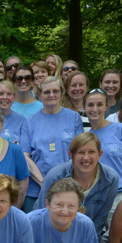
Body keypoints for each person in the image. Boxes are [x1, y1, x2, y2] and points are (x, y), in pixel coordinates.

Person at [35, 133, 120, 242]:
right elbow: (42, 214)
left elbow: (99, 222)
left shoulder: (111, 179)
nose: (86, 158)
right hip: (51, 234)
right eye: (81, 152)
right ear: (71, 155)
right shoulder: (55, 176)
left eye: (91, 152)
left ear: (100, 154)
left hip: (84, 237)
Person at [25, 78, 83, 210]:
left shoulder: (74, 118)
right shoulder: (30, 122)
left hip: (68, 188)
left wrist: (62, 182)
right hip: (36, 190)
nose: (51, 95)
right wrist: (44, 183)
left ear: (62, 93)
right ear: (39, 95)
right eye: (47, 92)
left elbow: (78, 152)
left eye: (55, 91)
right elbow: (25, 156)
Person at [85, 90, 122, 197]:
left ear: (107, 107)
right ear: (85, 108)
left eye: (100, 104)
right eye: (90, 105)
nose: (95, 109)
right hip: (96, 196)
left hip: (121, 193)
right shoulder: (86, 138)